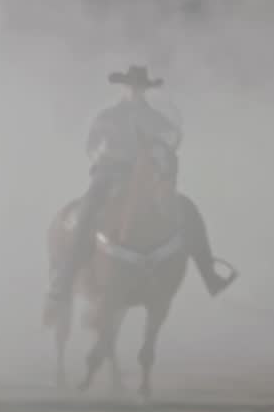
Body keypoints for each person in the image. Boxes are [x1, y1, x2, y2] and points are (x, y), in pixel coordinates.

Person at [43, 65, 235, 326]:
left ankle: (210, 275)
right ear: (123, 88)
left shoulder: (154, 117)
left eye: (140, 87)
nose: (135, 91)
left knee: (187, 210)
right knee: (87, 209)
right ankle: (65, 279)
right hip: (110, 175)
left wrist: (169, 141)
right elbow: (92, 147)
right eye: (131, 86)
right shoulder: (107, 117)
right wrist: (112, 155)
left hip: (148, 178)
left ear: (145, 90)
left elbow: (171, 138)